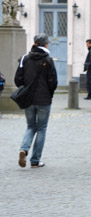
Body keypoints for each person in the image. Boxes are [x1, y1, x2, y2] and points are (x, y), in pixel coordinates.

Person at [15, 33, 58, 168]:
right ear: (45, 44)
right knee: (41, 129)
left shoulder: (25, 58)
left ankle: (24, 149)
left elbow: (18, 80)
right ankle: (35, 160)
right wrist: (49, 95)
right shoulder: (48, 60)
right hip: (43, 99)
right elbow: (53, 82)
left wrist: (26, 87)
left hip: (28, 99)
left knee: (30, 126)